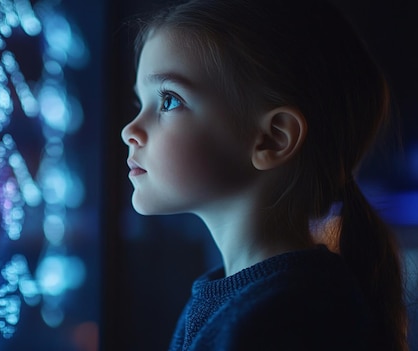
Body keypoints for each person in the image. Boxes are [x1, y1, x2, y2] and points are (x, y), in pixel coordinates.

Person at [120, 0, 408, 350]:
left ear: (273, 138)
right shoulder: (255, 297)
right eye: (141, 103)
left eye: (169, 100)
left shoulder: (284, 316)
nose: (130, 130)